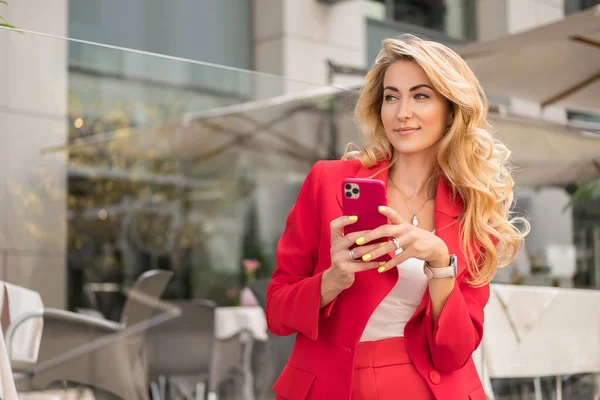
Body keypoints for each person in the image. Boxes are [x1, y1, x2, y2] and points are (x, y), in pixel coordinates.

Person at [265, 35, 528, 400]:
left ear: (451, 109)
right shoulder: (328, 181)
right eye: (392, 96)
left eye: (420, 95)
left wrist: (440, 262)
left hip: (430, 389)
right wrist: (331, 280)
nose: (402, 112)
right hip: (335, 385)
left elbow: (454, 351)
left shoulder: (475, 212)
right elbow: (277, 311)